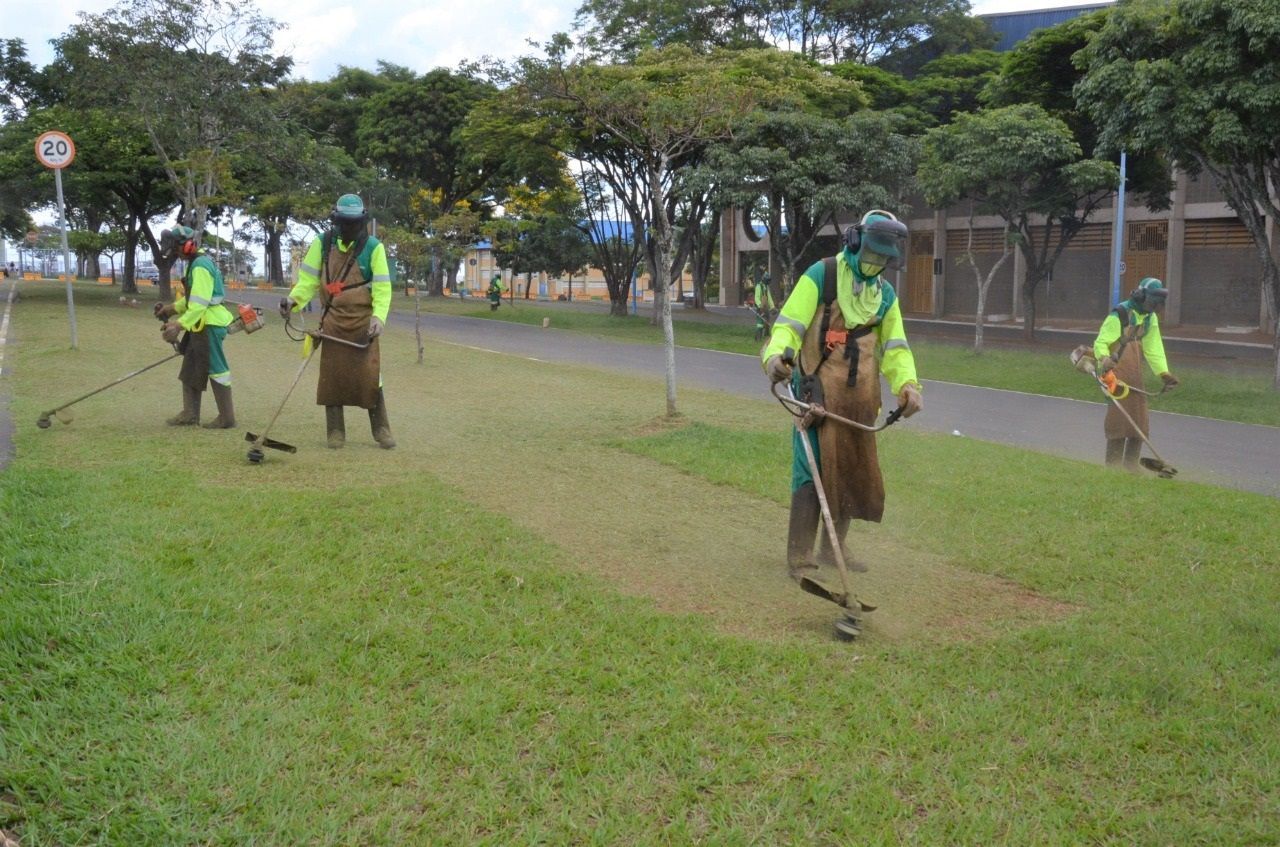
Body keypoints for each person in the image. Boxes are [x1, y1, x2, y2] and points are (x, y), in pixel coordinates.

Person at [761, 210, 923, 583]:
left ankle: (833, 550)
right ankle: (800, 555)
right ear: (854, 243)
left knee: (852, 469)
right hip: (815, 395)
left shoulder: (884, 296)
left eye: (883, 260)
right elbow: (788, 326)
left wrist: (907, 385)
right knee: (811, 468)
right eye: (870, 255)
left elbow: (896, 348)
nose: (874, 265)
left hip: (860, 399)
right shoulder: (822, 275)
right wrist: (775, 358)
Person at [278, 194, 395, 449]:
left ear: (362, 221)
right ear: (336, 221)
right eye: (345, 223)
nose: (350, 229)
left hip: (364, 324)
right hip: (332, 321)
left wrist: (379, 318)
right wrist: (292, 300)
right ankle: (335, 432)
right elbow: (308, 281)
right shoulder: (322, 244)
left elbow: (383, 289)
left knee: (371, 376)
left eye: (354, 223)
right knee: (332, 377)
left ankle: (381, 429)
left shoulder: (374, 247)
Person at [154, 225, 236, 428]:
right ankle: (190, 414)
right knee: (191, 367)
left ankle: (227, 418)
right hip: (199, 324)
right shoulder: (194, 264)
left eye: (176, 249)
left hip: (209, 324)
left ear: (188, 246)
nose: (176, 254)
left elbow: (199, 304)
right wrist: (170, 309)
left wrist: (178, 325)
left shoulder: (200, 266)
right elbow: (192, 299)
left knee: (217, 369)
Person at [1092, 277, 1178, 470]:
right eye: (1152, 301)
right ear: (1140, 296)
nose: (1155, 307)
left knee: (1139, 419)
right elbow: (1100, 342)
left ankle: (1131, 465)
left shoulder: (1150, 318)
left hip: (1134, 372)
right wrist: (1104, 358)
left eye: (1158, 303)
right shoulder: (1120, 314)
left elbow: (1154, 347)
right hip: (1114, 372)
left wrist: (1163, 373)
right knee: (1118, 418)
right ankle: (1113, 465)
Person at [753, 273, 776, 342]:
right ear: (764, 280)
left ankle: (766, 336)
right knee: (760, 323)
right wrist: (760, 306)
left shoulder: (766, 287)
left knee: (767, 322)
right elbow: (756, 298)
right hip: (760, 308)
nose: (768, 282)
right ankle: (757, 338)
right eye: (767, 280)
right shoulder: (758, 286)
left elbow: (769, 298)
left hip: (765, 307)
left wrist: (772, 307)